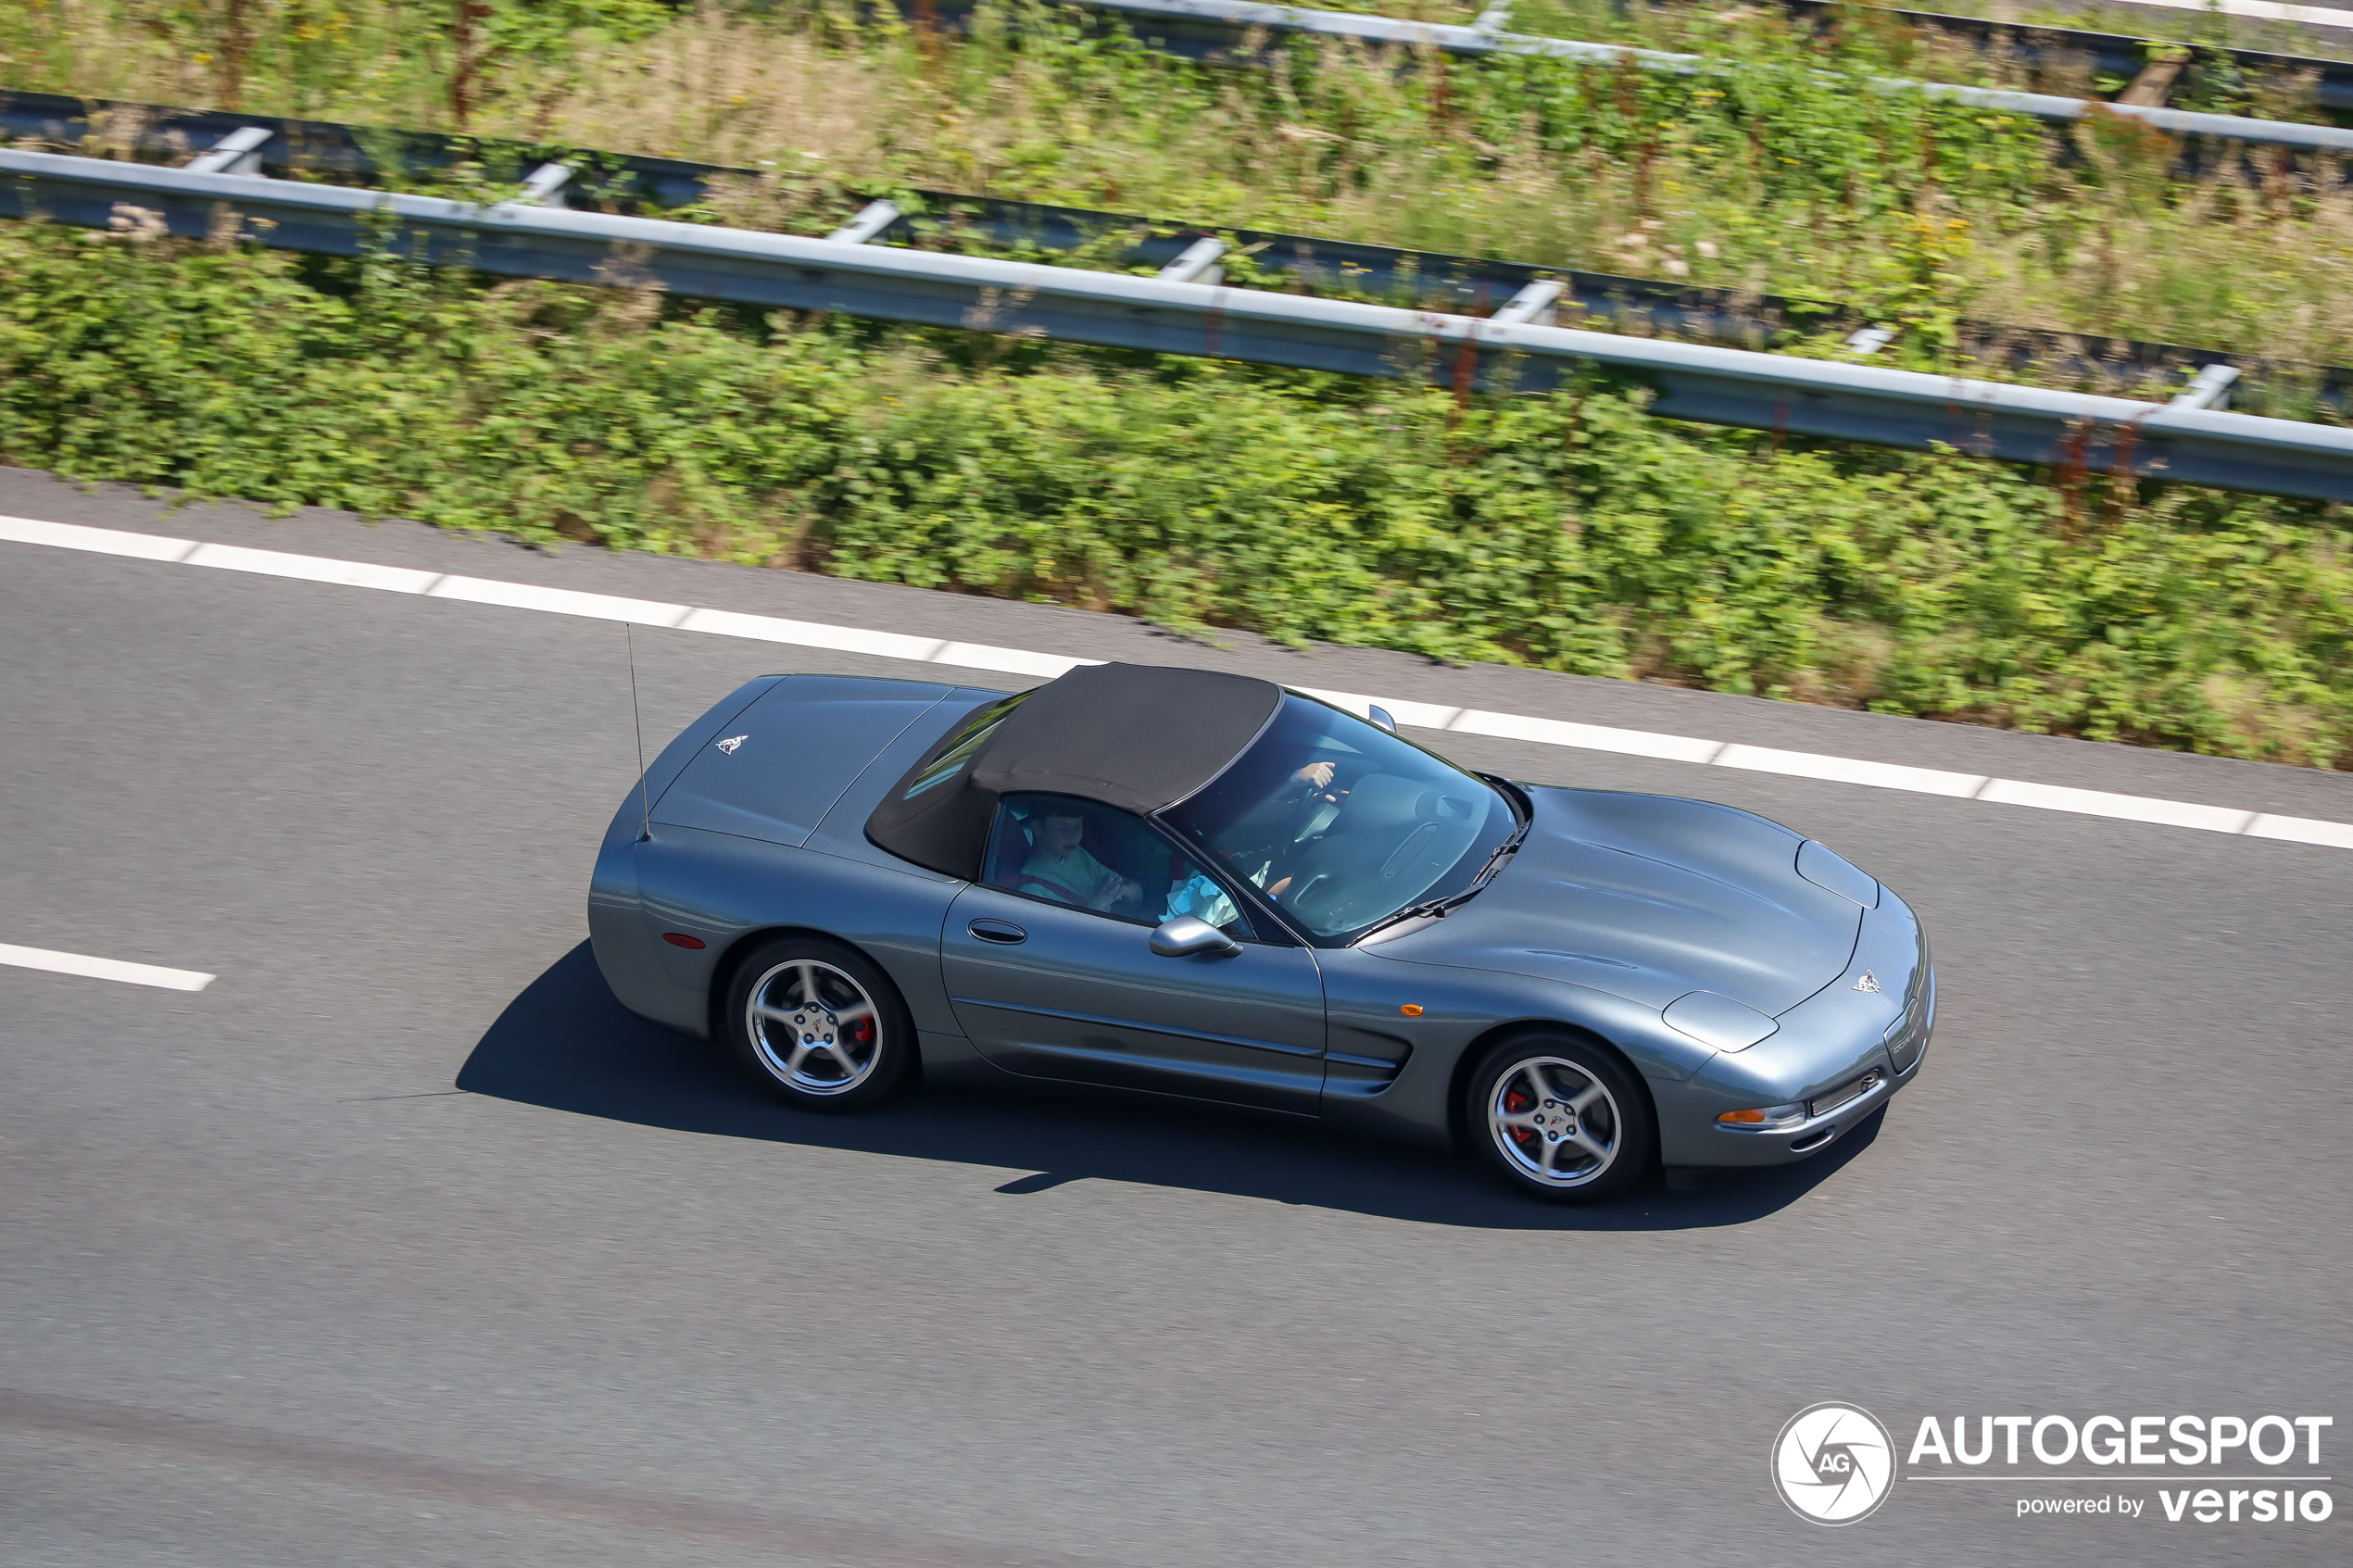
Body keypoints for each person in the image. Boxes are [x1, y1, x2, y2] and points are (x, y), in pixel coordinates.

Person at [1017, 807, 1140, 912]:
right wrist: (1096, 905)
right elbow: (1061, 939)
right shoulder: (1032, 890)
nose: (1074, 835)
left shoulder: (1077, 855)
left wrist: (1120, 890)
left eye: (1078, 824)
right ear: (1037, 828)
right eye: (1064, 827)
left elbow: (1137, 893)